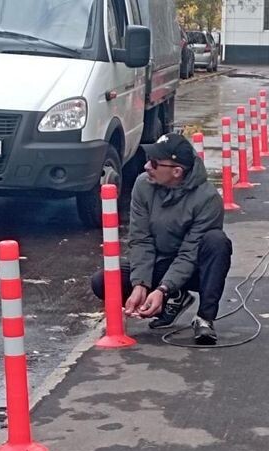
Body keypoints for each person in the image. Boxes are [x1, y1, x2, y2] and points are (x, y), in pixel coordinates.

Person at [91, 133, 233, 345]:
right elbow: (141, 240)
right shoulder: (143, 185)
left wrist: (163, 288)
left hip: (194, 267)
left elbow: (190, 252)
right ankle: (173, 300)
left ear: (176, 172)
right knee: (102, 282)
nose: (147, 166)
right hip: (159, 263)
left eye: (155, 163)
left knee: (217, 242)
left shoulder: (208, 199)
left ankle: (204, 318)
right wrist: (140, 284)